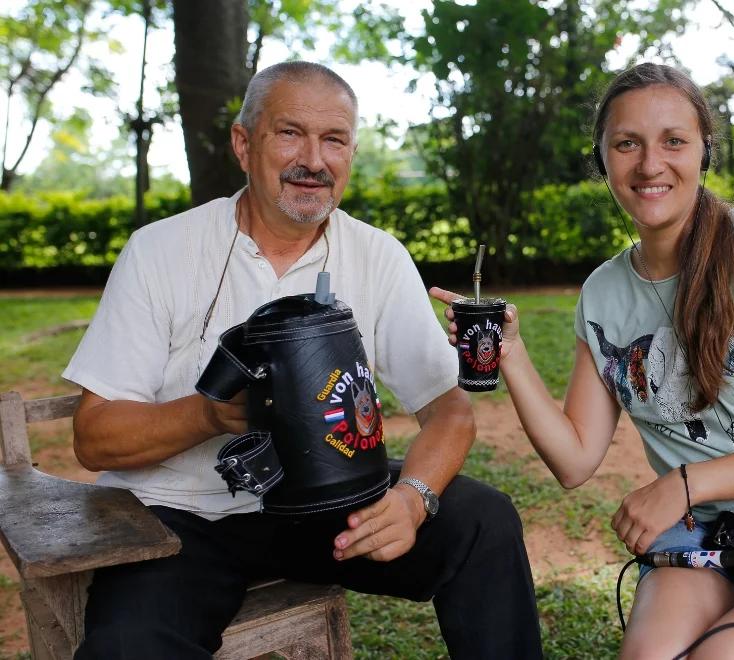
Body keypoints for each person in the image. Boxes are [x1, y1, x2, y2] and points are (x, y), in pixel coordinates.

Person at [432, 62, 734, 659]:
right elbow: (575, 459)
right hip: (715, 534)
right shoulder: (603, 293)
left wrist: (682, 485)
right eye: (627, 143)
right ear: (602, 158)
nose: (650, 163)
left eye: (674, 141)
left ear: (703, 153)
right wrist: (511, 355)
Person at [63, 60, 542, 660]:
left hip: (329, 504)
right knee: (129, 649)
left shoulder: (377, 255)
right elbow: (94, 439)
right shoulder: (161, 250)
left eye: (334, 139)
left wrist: (413, 497)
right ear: (244, 144)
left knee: (483, 521)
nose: (313, 160)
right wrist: (212, 416)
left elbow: (450, 411)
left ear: (350, 154)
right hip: (180, 518)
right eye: (290, 133)